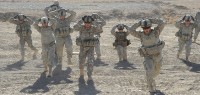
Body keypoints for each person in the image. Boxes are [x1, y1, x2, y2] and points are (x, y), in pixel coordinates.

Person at [130, 18, 165, 94]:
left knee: (157, 72)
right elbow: (131, 30)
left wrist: (151, 20)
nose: (146, 29)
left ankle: (151, 79)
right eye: (144, 28)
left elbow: (162, 23)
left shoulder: (156, 32)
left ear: (150, 26)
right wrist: (139, 23)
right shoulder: (140, 35)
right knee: (149, 71)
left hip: (157, 56)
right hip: (148, 56)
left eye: (148, 27)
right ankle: (151, 89)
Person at [74, 16, 101, 84]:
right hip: (83, 47)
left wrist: (94, 21)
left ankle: (89, 76)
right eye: (86, 23)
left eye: (89, 23)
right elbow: (75, 27)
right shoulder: (81, 27)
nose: (87, 24)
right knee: (81, 61)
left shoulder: (93, 28)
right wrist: (80, 21)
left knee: (90, 61)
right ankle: (81, 72)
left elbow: (99, 29)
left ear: (91, 23)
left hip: (90, 47)